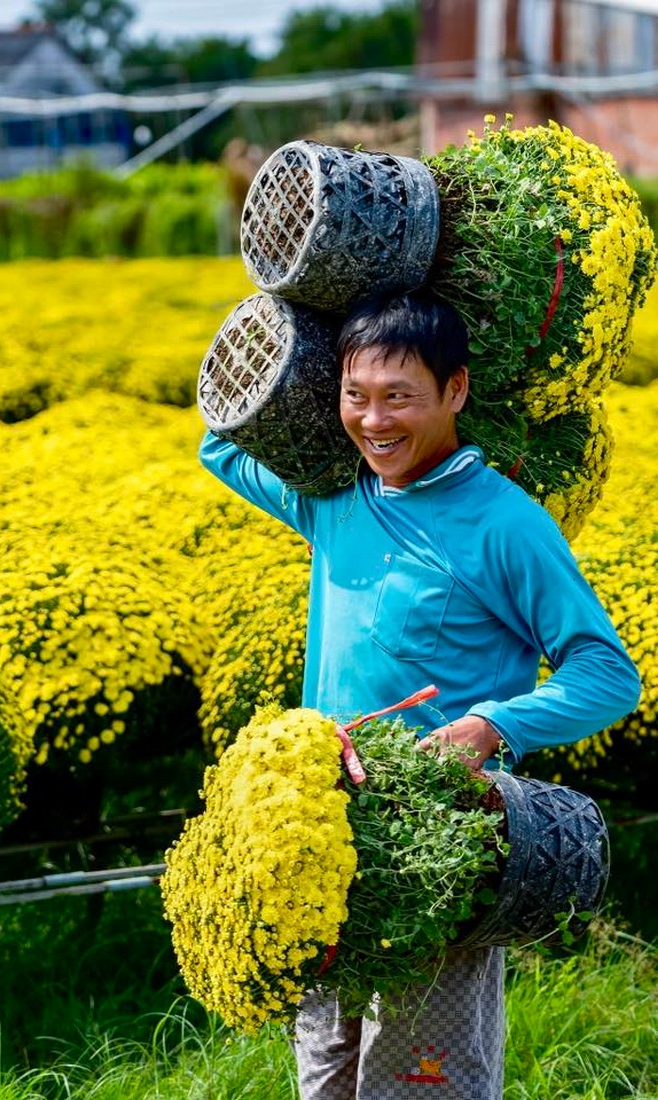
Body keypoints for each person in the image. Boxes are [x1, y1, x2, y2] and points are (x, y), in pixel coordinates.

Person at [198, 288, 641, 1100]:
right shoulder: (335, 498)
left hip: (442, 850)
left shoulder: (505, 524)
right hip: (326, 842)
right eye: (356, 396)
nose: (375, 421)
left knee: (423, 1081)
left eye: (399, 397)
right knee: (325, 1076)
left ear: (456, 390)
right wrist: (317, 299)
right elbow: (220, 441)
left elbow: (607, 673)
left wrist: (491, 726)